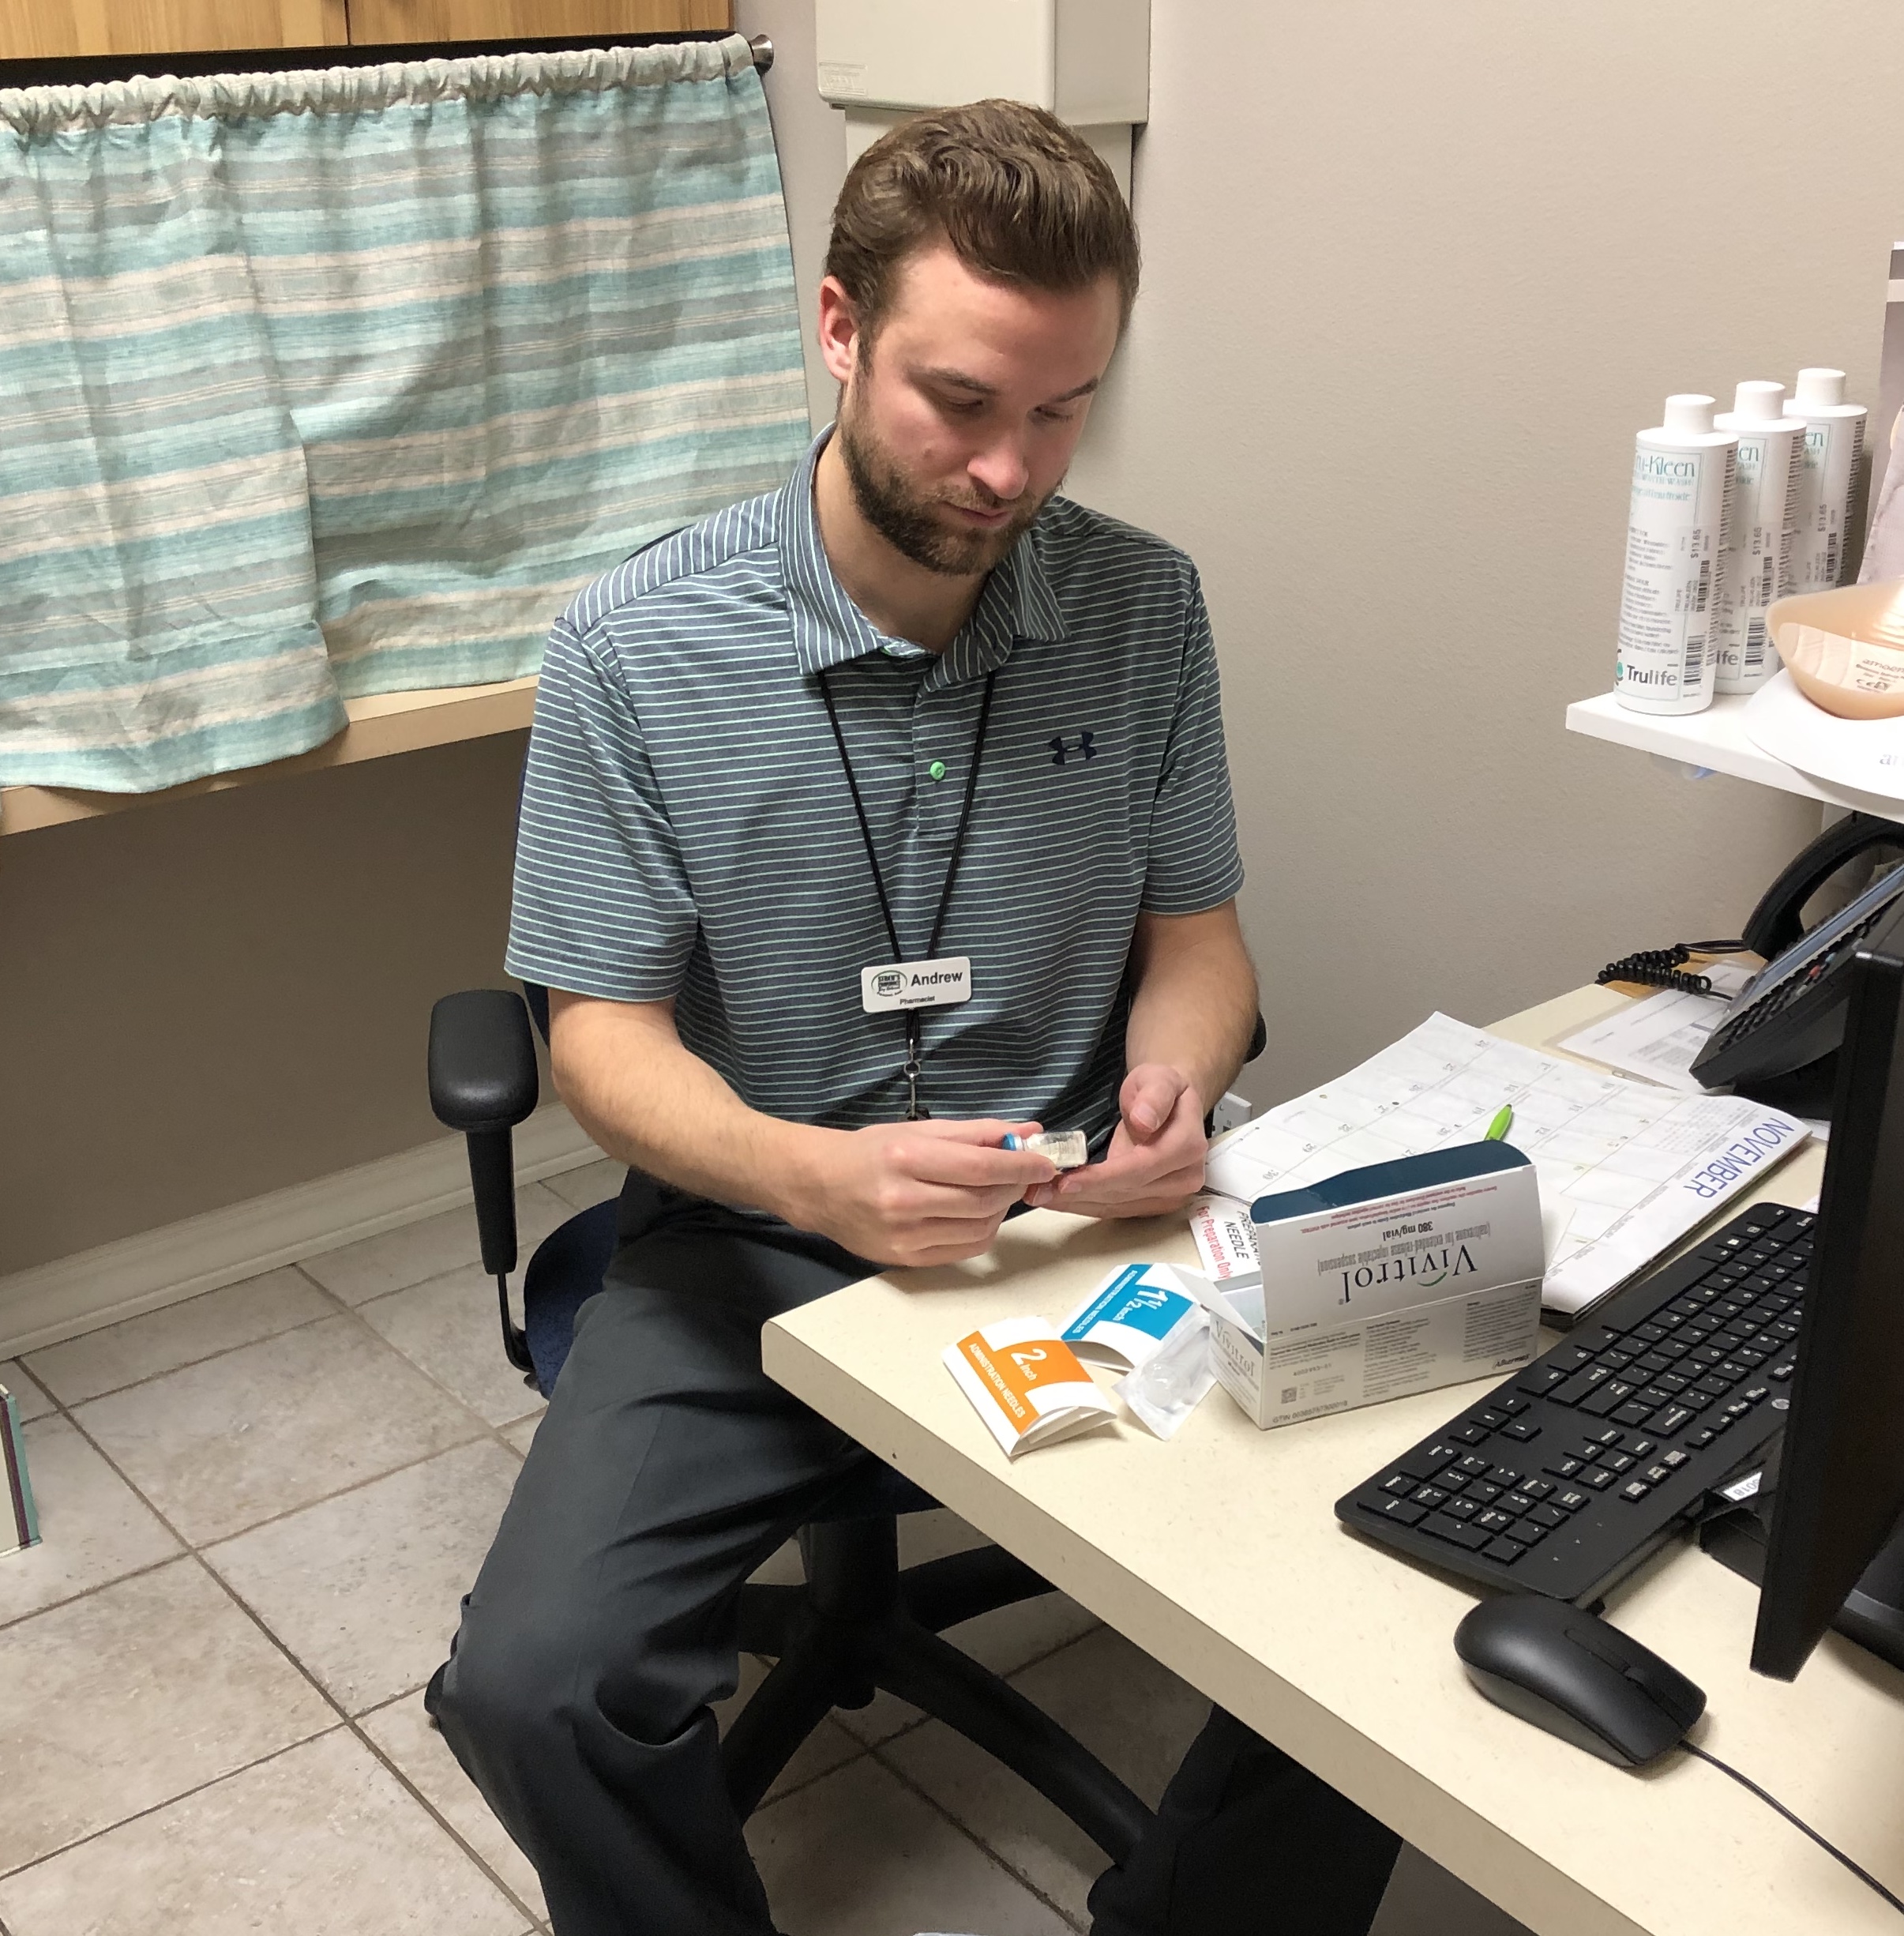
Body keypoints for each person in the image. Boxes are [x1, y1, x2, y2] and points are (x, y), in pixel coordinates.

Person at [430, 99, 1401, 1936]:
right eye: (961, 401)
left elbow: (1202, 935)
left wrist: (1170, 1074)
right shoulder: (634, 649)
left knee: (1397, 1575)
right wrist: (819, 1175)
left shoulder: (1142, 605)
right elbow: (600, 1043)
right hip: (757, 1244)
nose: (1010, 470)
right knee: (538, 1687)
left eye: (1062, 410)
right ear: (837, 327)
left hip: (1083, 1230)